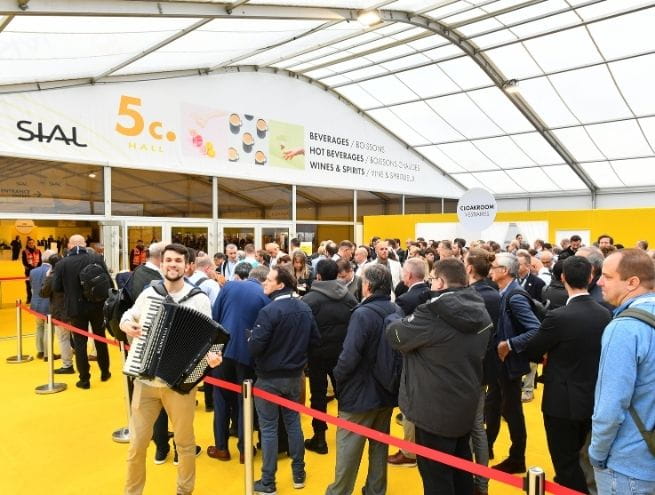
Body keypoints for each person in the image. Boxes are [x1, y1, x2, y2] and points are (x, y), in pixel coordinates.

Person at [120, 243, 222, 495]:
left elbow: (213, 339)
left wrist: (213, 356)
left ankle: (184, 491)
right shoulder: (149, 293)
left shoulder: (198, 299)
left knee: (185, 444)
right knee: (136, 445)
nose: (173, 264)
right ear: (161, 263)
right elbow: (128, 316)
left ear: (187, 265)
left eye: (178, 260)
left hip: (179, 385)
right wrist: (126, 326)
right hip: (145, 381)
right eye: (168, 260)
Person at [387, 259, 491, 495]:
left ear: (441, 282)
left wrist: (393, 318)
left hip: (432, 408)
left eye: (432, 279)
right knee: (460, 467)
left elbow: (395, 336)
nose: (430, 284)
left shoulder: (433, 313)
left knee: (436, 477)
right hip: (464, 400)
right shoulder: (480, 307)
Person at [524, 256, 611, 493]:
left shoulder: (559, 317)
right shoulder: (605, 314)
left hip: (561, 401)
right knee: (585, 455)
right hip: (593, 396)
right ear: (592, 277)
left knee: (565, 460)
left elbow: (533, 351)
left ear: (562, 278)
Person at [325, 264, 399, 495]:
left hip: (359, 392)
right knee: (379, 447)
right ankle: (376, 490)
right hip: (387, 390)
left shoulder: (362, 314)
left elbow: (349, 356)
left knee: (348, 450)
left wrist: (338, 378)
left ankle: (339, 492)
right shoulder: (396, 309)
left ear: (367, 286)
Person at [248, 265, 320, 495]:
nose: (264, 283)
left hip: (269, 378)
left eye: (268, 280)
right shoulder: (305, 308)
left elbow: (255, 347)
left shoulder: (269, 312)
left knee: (268, 430)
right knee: (293, 424)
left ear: (280, 285)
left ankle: (268, 482)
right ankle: (299, 474)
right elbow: (315, 341)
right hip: (294, 377)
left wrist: (252, 337)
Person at [589, 249, 655, 494]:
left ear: (632, 282)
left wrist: (597, 453)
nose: (599, 281)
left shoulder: (624, 328)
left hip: (629, 465)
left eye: (607, 276)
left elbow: (611, 405)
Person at [209, 263, 270, 463]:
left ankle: (221, 448)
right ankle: (245, 450)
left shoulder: (228, 287)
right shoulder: (264, 296)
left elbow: (215, 318)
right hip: (247, 354)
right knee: (245, 400)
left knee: (220, 400)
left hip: (222, 351)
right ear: (263, 280)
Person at [486, 253, 541, 473]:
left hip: (510, 362)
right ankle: (486, 446)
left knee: (512, 411)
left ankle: (517, 457)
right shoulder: (503, 292)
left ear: (505, 271)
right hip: (501, 364)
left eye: (494, 266)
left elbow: (535, 329)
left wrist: (508, 344)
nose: (490, 269)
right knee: (492, 406)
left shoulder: (515, 296)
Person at [302, 259, 358, 455]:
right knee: (344, 394)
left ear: (318, 276)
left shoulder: (309, 300)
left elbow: (304, 329)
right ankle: (348, 437)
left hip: (317, 354)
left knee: (318, 396)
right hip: (342, 354)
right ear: (337, 275)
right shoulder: (349, 298)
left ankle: (320, 438)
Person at [387, 256, 431, 468]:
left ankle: (409, 452)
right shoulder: (432, 293)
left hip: (411, 356)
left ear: (409, 275)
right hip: (431, 356)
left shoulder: (405, 300)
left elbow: (400, 334)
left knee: (409, 403)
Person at [52, 234, 111, 389]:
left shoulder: (62, 263)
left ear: (70, 246)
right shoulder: (97, 258)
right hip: (97, 305)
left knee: (80, 343)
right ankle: (105, 372)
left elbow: (56, 288)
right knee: (100, 338)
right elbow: (107, 281)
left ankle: (84, 379)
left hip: (76, 308)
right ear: (84, 244)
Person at [466, 248, 501, 495]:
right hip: (484, 367)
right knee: (476, 425)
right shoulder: (494, 293)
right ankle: (480, 482)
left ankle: (479, 483)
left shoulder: (474, 296)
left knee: (474, 426)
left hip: (471, 368)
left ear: (469, 269)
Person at [40, 254, 75, 373]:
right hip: (74, 310)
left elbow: (43, 293)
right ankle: (82, 363)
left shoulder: (52, 277)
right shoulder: (72, 275)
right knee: (78, 338)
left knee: (64, 339)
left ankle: (67, 365)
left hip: (60, 312)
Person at [29, 249, 57, 359]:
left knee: (39, 327)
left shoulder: (33, 271)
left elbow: (32, 287)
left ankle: (40, 351)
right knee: (48, 329)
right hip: (48, 305)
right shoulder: (52, 272)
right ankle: (48, 353)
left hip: (35, 304)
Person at [21, 237, 42, 303]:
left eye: (32, 243)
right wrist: (32, 268)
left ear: (34, 243)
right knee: (28, 286)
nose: (31, 244)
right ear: (27, 244)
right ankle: (29, 298)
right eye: (30, 243)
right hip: (28, 271)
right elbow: (24, 262)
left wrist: (37, 268)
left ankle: (37, 298)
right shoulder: (24, 251)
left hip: (37, 271)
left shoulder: (38, 251)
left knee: (37, 285)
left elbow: (40, 261)